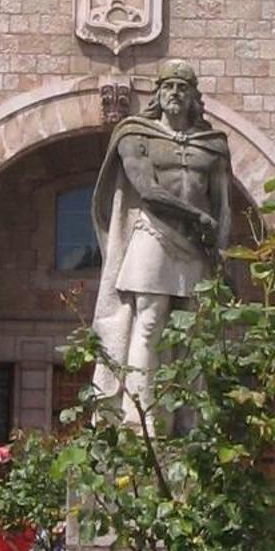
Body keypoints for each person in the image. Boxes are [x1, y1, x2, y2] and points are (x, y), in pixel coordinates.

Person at [89, 59, 232, 411]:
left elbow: (223, 206)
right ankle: (141, 418)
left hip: (196, 246)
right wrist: (197, 215)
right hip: (153, 235)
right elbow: (147, 190)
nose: (175, 94)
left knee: (192, 331)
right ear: (158, 93)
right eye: (168, 87)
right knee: (150, 322)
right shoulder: (135, 135)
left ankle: (187, 419)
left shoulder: (212, 145)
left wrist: (221, 250)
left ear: (194, 98)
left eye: (182, 88)